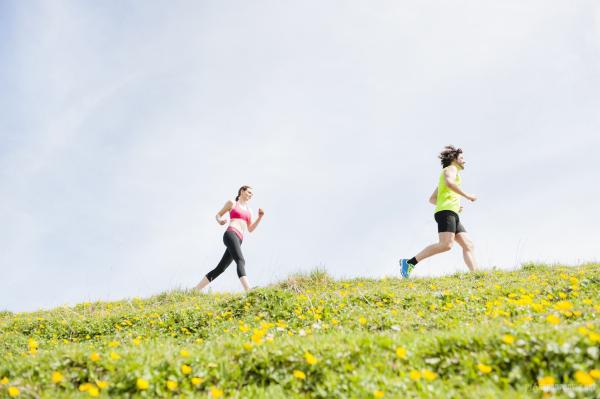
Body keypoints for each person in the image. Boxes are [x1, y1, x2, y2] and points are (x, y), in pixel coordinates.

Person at [400, 146, 478, 277]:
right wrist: (467, 196)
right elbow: (449, 183)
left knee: (468, 244)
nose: (464, 161)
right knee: (446, 245)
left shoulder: (445, 175)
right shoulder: (451, 170)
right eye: (462, 158)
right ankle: (409, 263)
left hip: (450, 211)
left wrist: (455, 205)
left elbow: (432, 199)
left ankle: (477, 276)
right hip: (446, 212)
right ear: (454, 159)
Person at [195, 185, 264, 291]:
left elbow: (250, 229)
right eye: (249, 192)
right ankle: (248, 290)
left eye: (252, 194)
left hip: (239, 239)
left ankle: (195, 290)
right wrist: (220, 221)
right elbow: (218, 215)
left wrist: (259, 217)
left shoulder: (249, 211)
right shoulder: (232, 203)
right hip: (230, 234)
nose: (251, 195)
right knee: (241, 260)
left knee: (221, 268)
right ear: (242, 191)